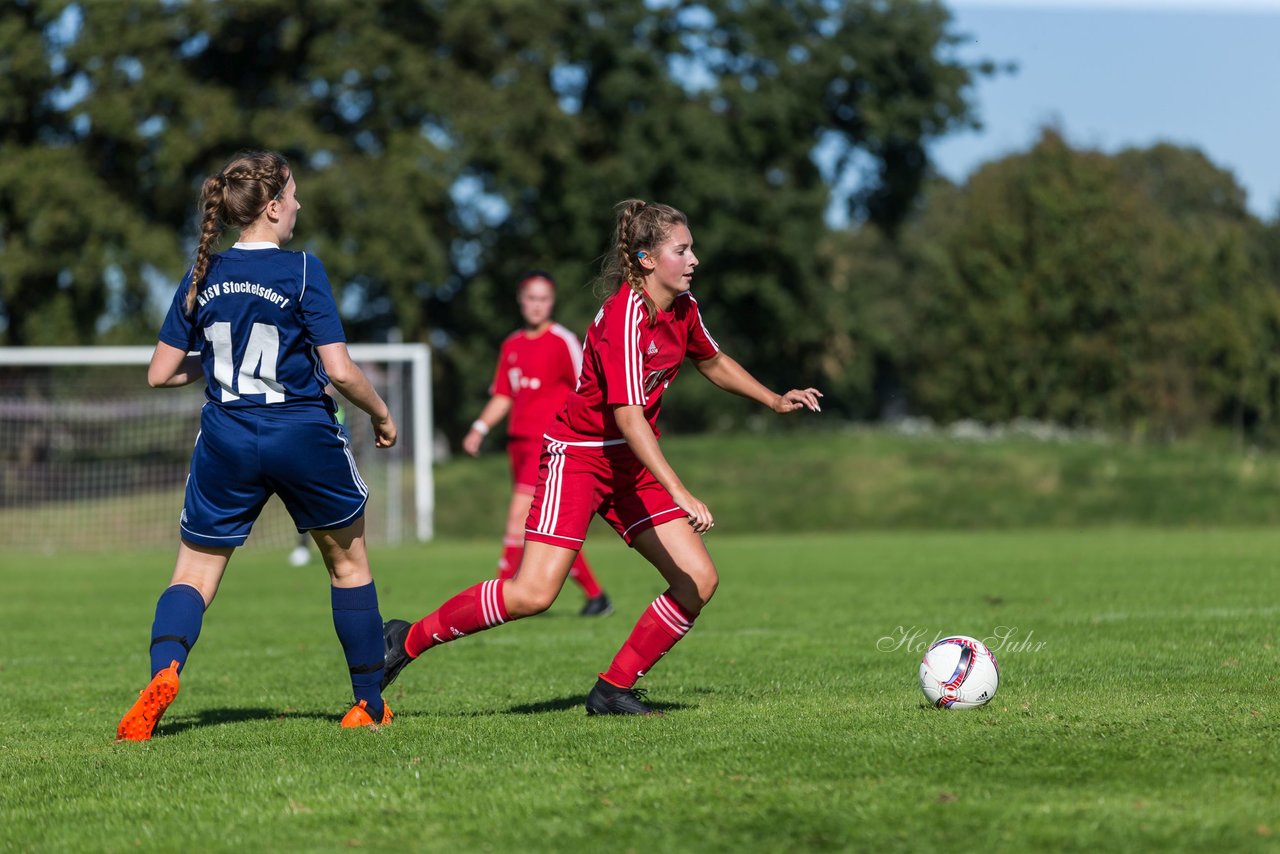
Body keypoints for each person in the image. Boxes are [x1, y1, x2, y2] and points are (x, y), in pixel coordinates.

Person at [382, 199, 821, 715]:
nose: (694, 259)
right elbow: (629, 418)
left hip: (629, 466)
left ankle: (612, 690)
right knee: (533, 594)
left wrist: (773, 399)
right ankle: (406, 639)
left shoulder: (684, 308)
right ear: (647, 259)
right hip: (579, 458)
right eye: (682, 250)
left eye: (692, 248)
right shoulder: (623, 318)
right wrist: (680, 492)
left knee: (698, 580)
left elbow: (713, 359)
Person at [116, 150, 398, 741]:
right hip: (301, 433)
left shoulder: (203, 273)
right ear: (272, 208)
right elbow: (341, 372)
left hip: (228, 438)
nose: (298, 204)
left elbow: (160, 373)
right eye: (292, 195)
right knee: (347, 566)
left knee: (193, 573)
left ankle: (164, 671)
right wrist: (381, 412)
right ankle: (367, 703)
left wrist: (217, 364)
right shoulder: (301, 270)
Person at [462, 270, 612, 617]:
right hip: (519, 445)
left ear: (552, 301)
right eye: (531, 298)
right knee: (545, 527)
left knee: (518, 519)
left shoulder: (562, 341)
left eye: (543, 299)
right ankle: (596, 596)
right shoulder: (512, 344)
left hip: (550, 444)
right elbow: (503, 395)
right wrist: (479, 428)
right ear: (521, 300)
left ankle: (500, 598)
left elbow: (587, 387)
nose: (537, 305)